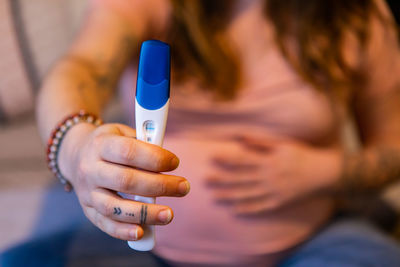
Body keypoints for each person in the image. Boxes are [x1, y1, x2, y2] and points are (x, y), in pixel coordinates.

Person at [6, 0, 400, 266]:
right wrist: (73, 146)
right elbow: (84, 67)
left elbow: (393, 147)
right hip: (140, 246)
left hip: (311, 244)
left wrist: (324, 172)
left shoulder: (358, 15)